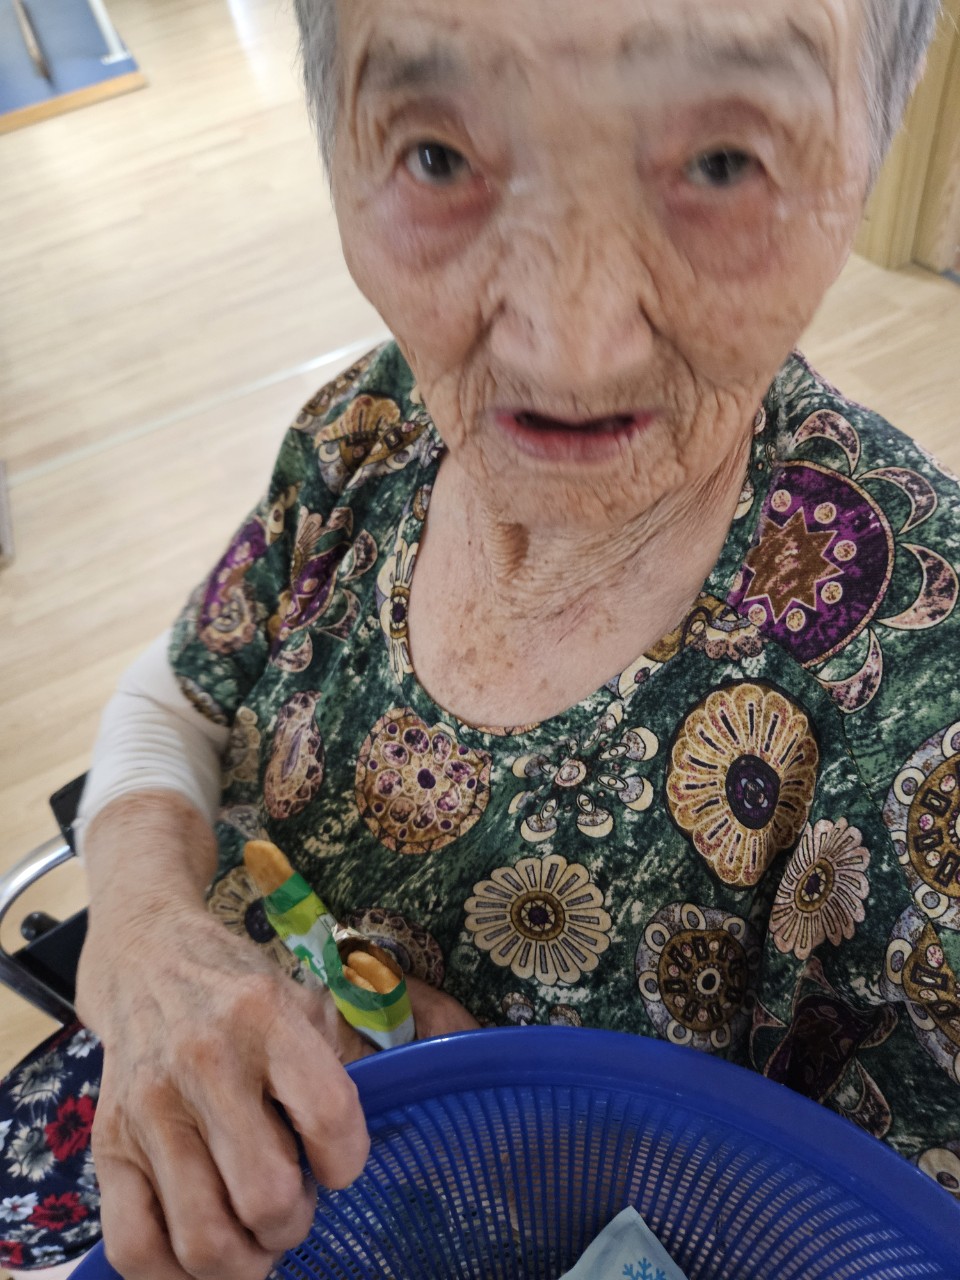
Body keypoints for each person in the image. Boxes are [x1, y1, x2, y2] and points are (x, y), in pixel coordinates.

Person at [4, 0, 958, 1276]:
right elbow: (181, 690)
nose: (568, 347)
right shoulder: (371, 420)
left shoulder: (924, 722)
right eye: (439, 155)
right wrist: (142, 940)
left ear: (870, 157)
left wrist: (493, 1138)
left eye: (724, 162)